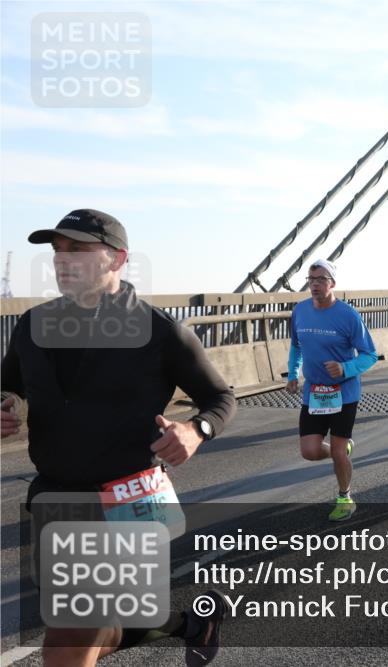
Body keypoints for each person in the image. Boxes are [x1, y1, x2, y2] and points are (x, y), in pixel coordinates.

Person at [0, 209, 236, 666]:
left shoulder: (161, 331)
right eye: (57, 251)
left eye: (78, 250)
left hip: (126, 498)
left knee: (67, 646)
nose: (62, 261)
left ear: (117, 258)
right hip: (53, 495)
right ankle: (193, 624)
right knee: (91, 628)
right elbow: (7, 386)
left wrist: (195, 429)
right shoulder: (32, 326)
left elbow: (220, 397)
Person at [287, 259, 378, 521]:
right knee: (310, 451)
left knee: (338, 450)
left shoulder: (348, 315)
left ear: (332, 284)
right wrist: (293, 374)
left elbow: (370, 355)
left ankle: (345, 497)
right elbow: (297, 346)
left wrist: (345, 367)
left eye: (320, 280)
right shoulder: (300, 311)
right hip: (314, 392)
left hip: (344, 392)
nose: (314, 284)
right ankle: (342, 452)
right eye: (310, 280)